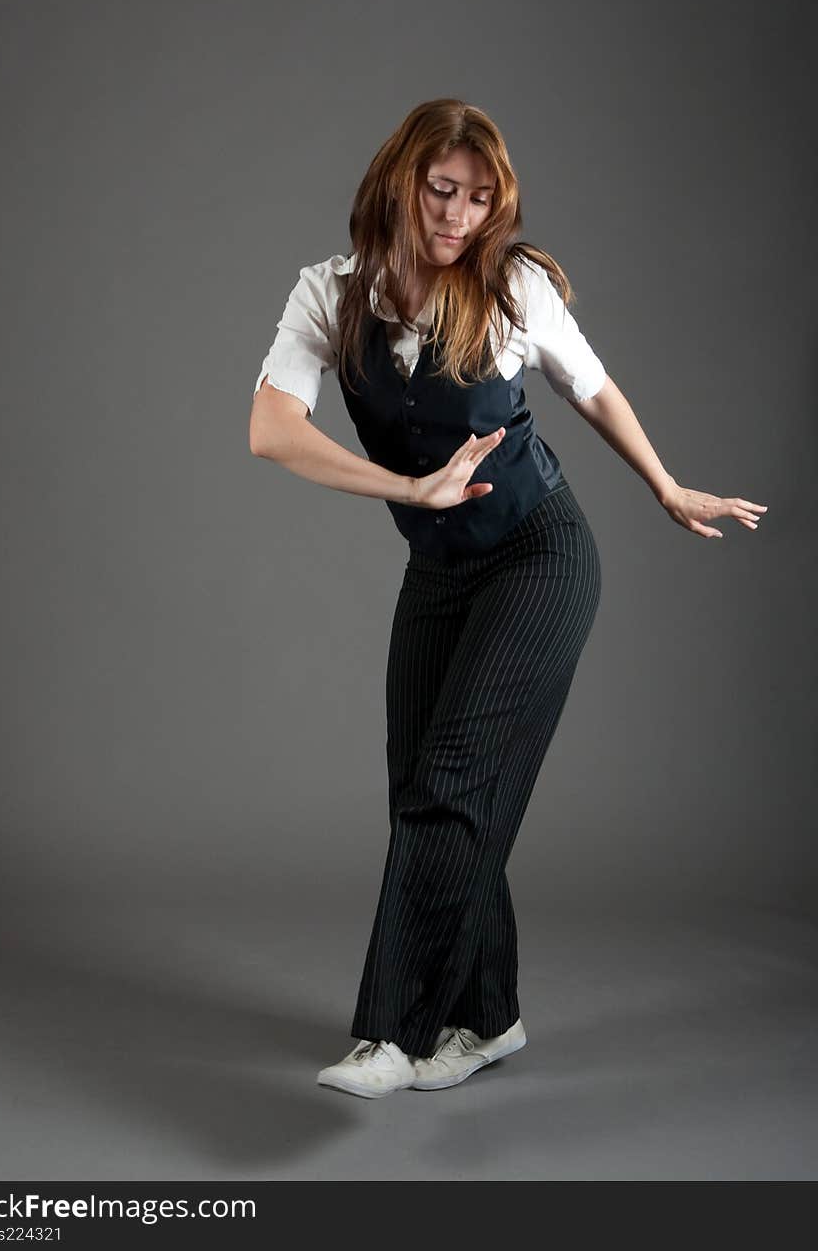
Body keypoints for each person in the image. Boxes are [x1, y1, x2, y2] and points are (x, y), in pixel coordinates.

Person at [248, 98, 768, 1100]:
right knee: (424, 789)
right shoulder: (330, 292)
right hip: (438, 566)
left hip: (539, 552)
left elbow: (592, 386)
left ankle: (390, 1036)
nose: (456, 214)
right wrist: (406, 487)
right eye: (442, 189)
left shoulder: (514, 286)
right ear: (400, 179)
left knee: (450, 778)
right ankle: (486, 1016)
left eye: (478, 198)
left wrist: (663, 484)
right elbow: (272, 430)